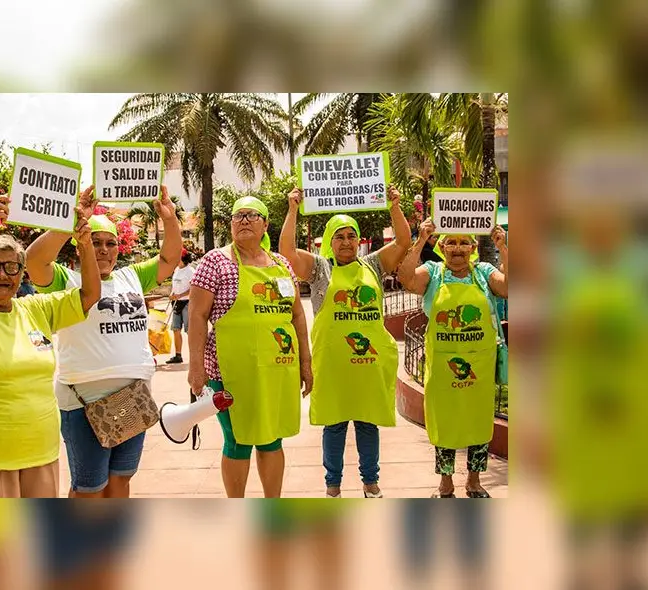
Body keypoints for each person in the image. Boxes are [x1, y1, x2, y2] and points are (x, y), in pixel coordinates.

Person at [0, 196, 101, 498]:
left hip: (42, 454)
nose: (2, 275)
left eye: (12, 267)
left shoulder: (35, 309)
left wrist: (85, 244)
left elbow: (89, 295)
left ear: (22, 275)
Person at [26, 185, 182, 498]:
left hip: (133, 396)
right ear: (80, 242)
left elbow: (169, 257)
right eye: (95, 241)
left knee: (120, 480)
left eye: (110, 243)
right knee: (89, 489)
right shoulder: (65, 279)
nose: (103, 249)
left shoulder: (133, 276)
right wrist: (73, 220)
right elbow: (34, 262)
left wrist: (170, 219)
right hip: (84, 400)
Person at [279, 185, 411, 498]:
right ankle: (333, 487)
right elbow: (287, 253)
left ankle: (370, 483)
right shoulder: (320, 268)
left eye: (351, 235)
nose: (347, 242)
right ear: (330, 241)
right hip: (333, 367)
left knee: (368, 424)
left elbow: (404, 242)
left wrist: (394, 205)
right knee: (334, 427)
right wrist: (293, 208)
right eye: (339, 236)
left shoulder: (374, 265)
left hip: (367, 364)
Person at [188, 197, 312, 498]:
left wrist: (306, 364)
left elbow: (296, 315)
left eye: (252, 215)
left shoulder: (282, 265)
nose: (243, 220)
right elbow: (197, 315)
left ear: (265, 224)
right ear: (230, 225)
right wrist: (196, 367)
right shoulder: (215, 262)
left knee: (271, 439)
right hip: (228, 371)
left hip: (278, 370)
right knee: (237, 439)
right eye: (238, 216)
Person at [397, 219, 508, 498]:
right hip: (443, 368)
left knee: (479, 423)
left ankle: (474, 481)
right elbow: (406, 279)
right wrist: (421, 239)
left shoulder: (483, 272)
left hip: (479, 367)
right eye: (451, 242)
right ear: (442, 246)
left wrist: (503, 248)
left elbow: (507, 287)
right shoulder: (433, 273)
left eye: (464, 242)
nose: (458, 248)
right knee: (444, 422)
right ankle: (445, 482)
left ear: (472, 247)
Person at [165, 249, 195, 364]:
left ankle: (195, 355)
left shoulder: (190, 271)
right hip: (176, 303)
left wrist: (180, 295)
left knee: (189, 330)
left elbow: (193, 288)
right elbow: (175, 285)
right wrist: (172, 294)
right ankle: (178, 355)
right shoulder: (177, 270)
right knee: (176, 329)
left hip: (187, 303)